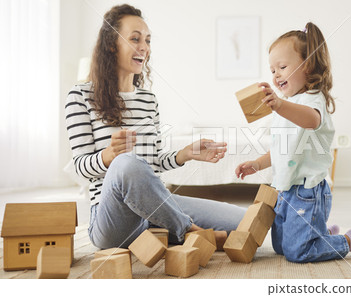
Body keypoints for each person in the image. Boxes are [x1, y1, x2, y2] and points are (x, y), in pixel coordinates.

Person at [65, 4, 245, 249]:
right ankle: (188, 231)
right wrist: (109, 157)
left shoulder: (148, 101)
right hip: (111, 221)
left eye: (147, 40)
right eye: (135, 39)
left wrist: (185, 154)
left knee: (240, 221)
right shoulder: (80, 96)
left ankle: (171, 230)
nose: (144, 47)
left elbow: (150, 167)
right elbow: (79, 167)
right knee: (126, 164)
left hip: (153, 212)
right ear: (110, 44)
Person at [235, 22, 351, 262]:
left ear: (308, 66)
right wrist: (258, 164)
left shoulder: (312, 99)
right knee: (281, 246)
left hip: (307, 191)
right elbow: (282, 148)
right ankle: (320, 234)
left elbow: (311, 120)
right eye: (272, 70)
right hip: (284, 189)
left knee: (298, 251)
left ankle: (349, 240)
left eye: (282, 67)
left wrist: (280, 105)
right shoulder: (285, 107)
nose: (276, 75)